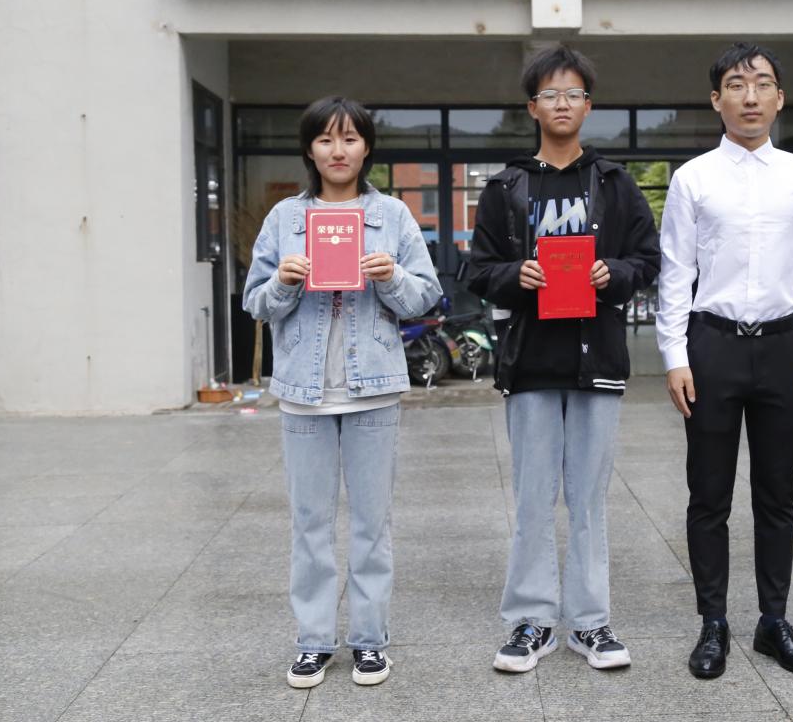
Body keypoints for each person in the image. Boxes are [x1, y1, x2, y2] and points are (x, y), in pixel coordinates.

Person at [468, 45, 661, 673]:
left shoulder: (614, 184)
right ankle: (531, 621)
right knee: (532, 498)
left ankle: (590, 622)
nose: (562, 103)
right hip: (529, 363)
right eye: (549, 94)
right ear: (532, 107)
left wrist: (615, 273)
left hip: (595, 360)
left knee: (588, 499)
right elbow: (478, 269)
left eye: (573, 94)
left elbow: (648, 259)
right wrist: (514, 275)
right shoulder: (506, 188)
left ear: (588, 106)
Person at [243, 97, 442, 689]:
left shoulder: (392, 215)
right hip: (303, 394)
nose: (338, 150)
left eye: (350, 138)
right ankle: (313, 641)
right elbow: (254, 302)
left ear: (366, 148)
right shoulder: (285, 218)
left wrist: (392, 276)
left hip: (372, 391)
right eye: (326, 139)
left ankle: (369, 642)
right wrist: (283, 281)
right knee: (309, 524)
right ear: (310, 149)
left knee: (371, 525)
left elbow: (425, 295)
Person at [656, 43, 793, 680]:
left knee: (777, 493)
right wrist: (675, 356)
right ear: (717, 100)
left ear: (779, 98)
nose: (751, 96)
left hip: (784, 347)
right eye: (736, 84)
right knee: (708, 494)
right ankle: (713, 623)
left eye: (762, 84)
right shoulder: (693, 178)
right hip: (713, 346)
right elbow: (675, 273)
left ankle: (773, 621)